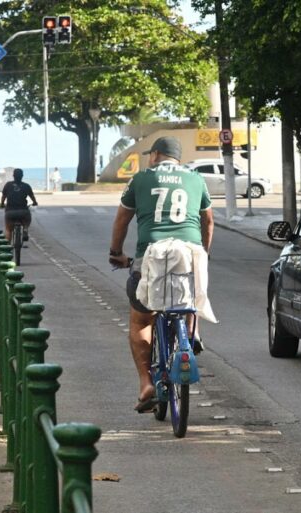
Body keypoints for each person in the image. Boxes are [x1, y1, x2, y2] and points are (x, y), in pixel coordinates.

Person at [108, 136, 214, 413]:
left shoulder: (141, 178)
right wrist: (204, 252)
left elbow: (122, 219)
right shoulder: (196, 179)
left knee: (141, 320)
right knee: (188, 294)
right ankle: (190, 336)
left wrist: (116, 252)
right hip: (189, 254)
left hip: (151, 255)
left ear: (155, 155)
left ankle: (146, 383)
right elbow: (208, 220)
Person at [0, 168, 38, 243]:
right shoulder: (26, 186)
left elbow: (3, 196)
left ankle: (7, 248)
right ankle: (25, 229)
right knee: (27, 219)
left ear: (13, 176)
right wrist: (35, 202)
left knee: (8, 230)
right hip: (23, 211)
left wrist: (2, 204)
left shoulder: (8, 185)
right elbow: (32, 197)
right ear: (22, 176)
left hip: (10, 212)